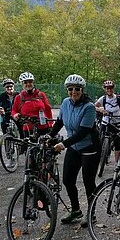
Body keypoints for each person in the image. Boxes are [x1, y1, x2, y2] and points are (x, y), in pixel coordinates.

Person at [49, 74, 100, 227]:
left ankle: (91, 213)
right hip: (74, 146)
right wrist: (49, 136)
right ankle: (76, 210)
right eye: (70, 89)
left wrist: (63, 144)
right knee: (68, 180)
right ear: (67, 90)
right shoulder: (65, 103)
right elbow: (59, 122)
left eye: (77, 89)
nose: (74, 92)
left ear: (82, 90)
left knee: (88, 181)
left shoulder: (89, 107)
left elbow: (83, 132)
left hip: (89, 147)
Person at [95, 80, 120, 163]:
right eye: (107, 88)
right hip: (106, 122)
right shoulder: (103, 98)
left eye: (110, 88)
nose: (109, 90)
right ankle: (99, 157)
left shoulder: (118, 98)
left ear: (113, 89)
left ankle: (116, 164)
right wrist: (101, 110)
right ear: (105, 89)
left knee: (117, 143)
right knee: (100, 140)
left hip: (117, 122)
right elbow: (93, 106)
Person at [11, 72, 52, 137]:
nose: (28, 84)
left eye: (30, 82)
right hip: (28, 128)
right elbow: (14, 110)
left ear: (33, 83)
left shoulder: (41, 95)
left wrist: (50, 124)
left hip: (43, 127)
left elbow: (48, 109)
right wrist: (15, 114)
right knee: (28, 146)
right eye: (25, 82)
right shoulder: (19, 97)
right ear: (22, 84)